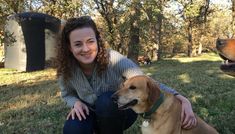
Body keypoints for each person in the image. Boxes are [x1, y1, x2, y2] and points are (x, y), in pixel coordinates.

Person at [56, 16, 197, 134]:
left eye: (90, 41)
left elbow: (145, 82)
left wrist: (181, 98)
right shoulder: (65, 69)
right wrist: (76, 103)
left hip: (117, 112)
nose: (86, 49)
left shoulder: (114, 59)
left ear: (97, 42)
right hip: (89, 114)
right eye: (78, 44)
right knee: (72, 128)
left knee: (106, 101)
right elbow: (66, 94)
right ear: (69, 47)